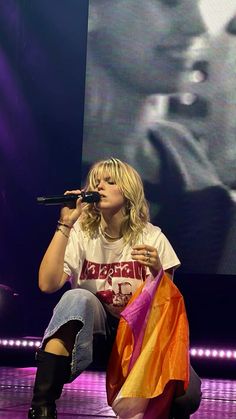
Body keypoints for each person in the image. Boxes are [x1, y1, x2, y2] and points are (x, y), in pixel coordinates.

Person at [28, 158, 201, 419]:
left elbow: (165, 310)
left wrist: (157, 271)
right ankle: (42, 407)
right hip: (93, 336)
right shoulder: (81, 234)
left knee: (189, 394)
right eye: (96, 181)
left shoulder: (152, 237)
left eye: (110, 181)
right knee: (76, 297)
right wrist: (65, 223)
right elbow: (47, 284)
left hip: (136, 339)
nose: (100, 186)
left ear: (128, 191)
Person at [82, 0, 236, 274]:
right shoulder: (36, 154)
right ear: (91, 10)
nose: (198, 27)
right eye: (170, 2)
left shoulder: (177, 142)